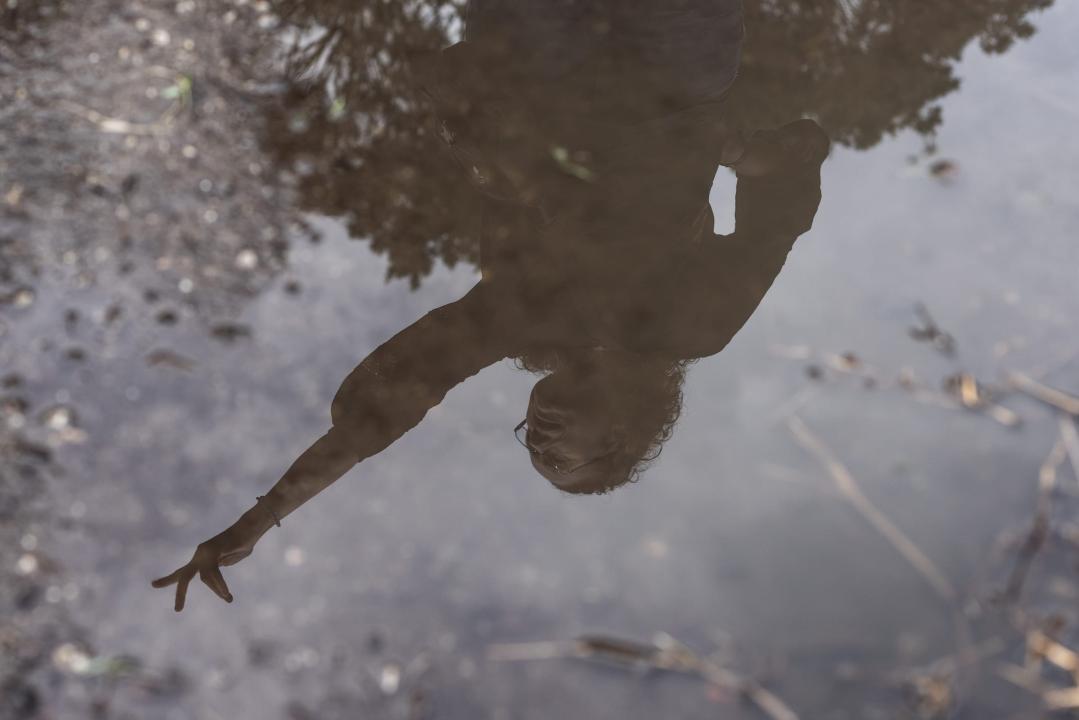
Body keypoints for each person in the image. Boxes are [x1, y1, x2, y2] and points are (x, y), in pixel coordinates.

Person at [154, 0, 829, 610]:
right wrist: (747, 152)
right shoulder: (694, 325)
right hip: (673, 73)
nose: (537, 438)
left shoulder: (525, 322)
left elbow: (385, 411)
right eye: (559, 458)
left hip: (535, 76)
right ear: (621, 439)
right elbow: (781, 207)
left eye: (528, 444)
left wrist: (259, 519)